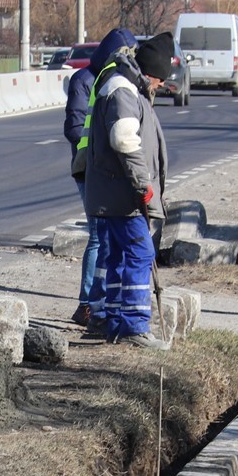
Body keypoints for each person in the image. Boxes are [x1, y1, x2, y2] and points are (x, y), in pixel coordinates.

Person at [82, 32, 174, 348]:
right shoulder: (123, 91)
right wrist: (143, 184)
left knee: (119, 257)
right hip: (123, 195)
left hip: (114, 194)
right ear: (151, 73)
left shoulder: (123, 86)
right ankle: (134, 327)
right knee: (140, 252)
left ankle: (114, 323)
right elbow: (124, 139)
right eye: (161, 80)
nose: (161, 86)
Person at [64, 28, 136, 331]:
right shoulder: (85, 80)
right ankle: (87, 306)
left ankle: (99, 302)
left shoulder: (113, 80)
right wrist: (97, 147)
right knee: (97, 236)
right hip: (88, 169)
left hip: (103, 170)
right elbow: (74, 127)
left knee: (105, 236)